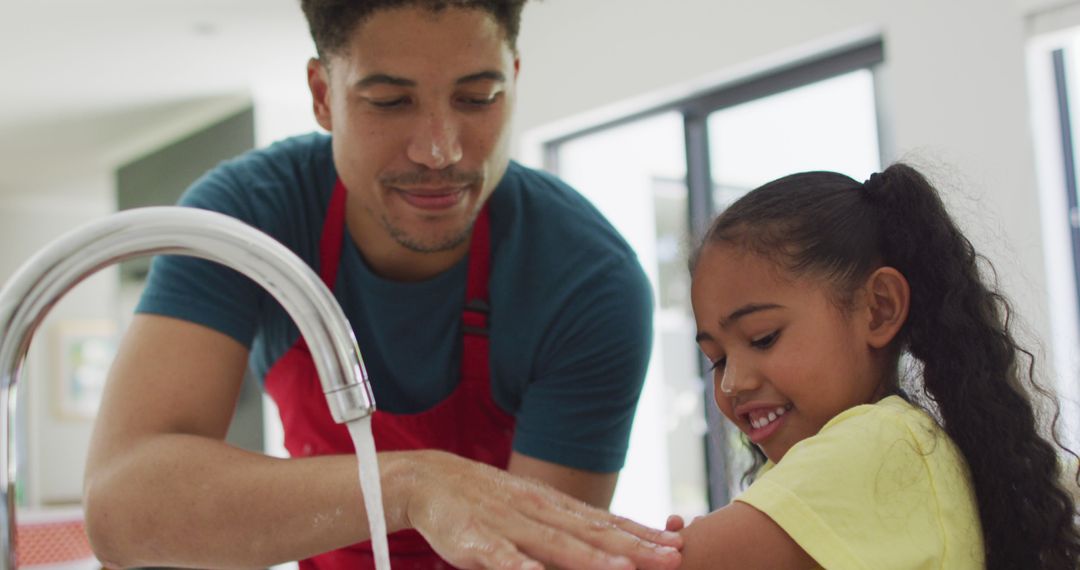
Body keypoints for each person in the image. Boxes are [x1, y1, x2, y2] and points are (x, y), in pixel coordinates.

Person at [82, 1, 683, 569]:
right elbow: (123, 506)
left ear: (515, 81)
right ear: (323, 96)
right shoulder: (248, 218)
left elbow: (533, 557)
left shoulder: (587, 280)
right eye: (391, 101)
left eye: (478, 98)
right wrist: (412, 485)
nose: (440, 151)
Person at [668, 164, 1080, 569]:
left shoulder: (880, 443)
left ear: (879, 308)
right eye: (717, 361)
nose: (732, 384)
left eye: (763, 338)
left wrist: (656, 546)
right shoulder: (874, 449)